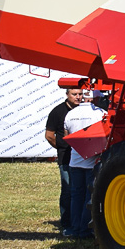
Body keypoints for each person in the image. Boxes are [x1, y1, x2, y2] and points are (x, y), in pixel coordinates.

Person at [63, 90, 106, 239]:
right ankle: (85, 229)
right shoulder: (101, 114)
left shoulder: (70, 114)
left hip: (74, 161)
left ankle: (75, 228)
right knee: (90, 197)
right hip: (91, 163)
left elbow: (66, 136)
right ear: (96, 99)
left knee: (76, 196)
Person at [45, 80, 86, 233]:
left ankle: (81, 221)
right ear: (67, 94)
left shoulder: (84, 111)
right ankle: (66, 222)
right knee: (68, 189)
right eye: (74, 94)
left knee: (81, 189)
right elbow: (49, 135)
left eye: (80, 94)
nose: (78, 97)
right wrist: (63, 147)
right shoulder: (58, 112)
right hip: (66, 158)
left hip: (83, 158)